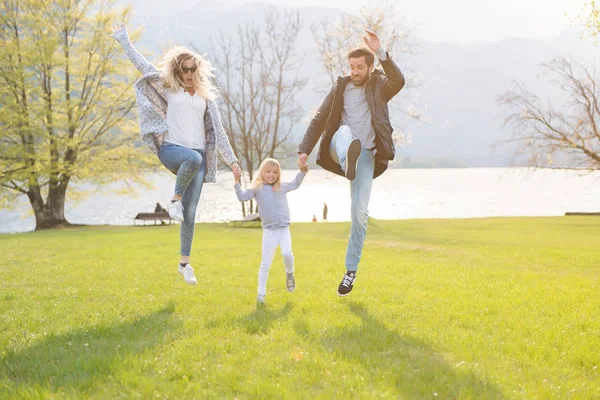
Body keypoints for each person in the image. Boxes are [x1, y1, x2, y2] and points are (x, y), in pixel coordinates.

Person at [112, 26, 242, 285]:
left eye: (194, 68)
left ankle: (184, 264)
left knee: (190, 213)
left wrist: (234, 162)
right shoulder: (168, 88)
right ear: (177, 70)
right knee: (191, 161)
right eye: (186, 69)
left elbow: (219, 133)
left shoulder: (207, 98)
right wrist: (124, 40)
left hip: (198, 156)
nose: (190, 73)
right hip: (172, 150)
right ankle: (174, 200)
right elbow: (142, 65)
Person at [297, 29, 405, 296]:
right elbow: (318, 120)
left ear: (370, 68)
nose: (355, 71)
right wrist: (303, 151)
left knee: (359, 214)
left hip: (366, 156)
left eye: (360, 67)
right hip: (339, 147)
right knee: (345, 134)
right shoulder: (340, 89)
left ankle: (350, 272)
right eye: (352, 67)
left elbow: (399, 80)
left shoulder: (379, 87)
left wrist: (381, 51)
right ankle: (348, 158)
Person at [234, 158, 308, 304]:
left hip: (284, 228)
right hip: (269, 232)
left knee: (287, 253)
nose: (271, 175)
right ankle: (261, 295)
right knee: (265, 264)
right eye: (268, 171)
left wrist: (303, 172)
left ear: (278, 174)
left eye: (275, 172)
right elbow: (242, 197)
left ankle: (290, 273)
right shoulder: (257, 189)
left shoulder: (281, 187)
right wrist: (237, 182)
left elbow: (295, 184)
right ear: (262, 172)